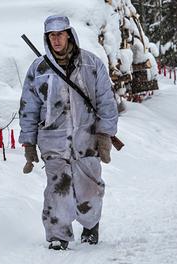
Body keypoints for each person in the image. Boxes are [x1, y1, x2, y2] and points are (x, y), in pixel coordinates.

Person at [18, 15, 118, 250]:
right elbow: (28, 107)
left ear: (69, 35)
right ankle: (58, 235)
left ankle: (90, 225)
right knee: (57, 188)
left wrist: (105, 135)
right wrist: (29, 143)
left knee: (89, 188)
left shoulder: (92, 64)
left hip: (87, 138)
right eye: (52, 35)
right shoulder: (39, 69)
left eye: (60, 34)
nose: (56, 40)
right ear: (47, 38)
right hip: (53, 140)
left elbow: (106, 101)